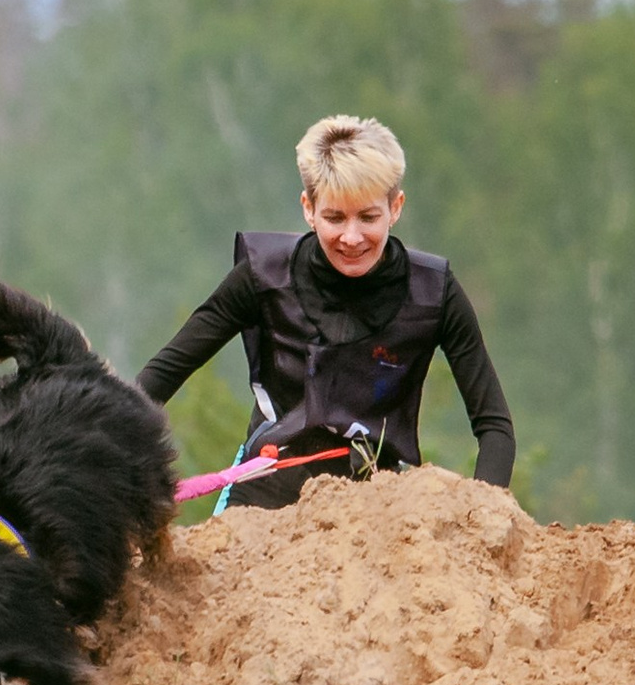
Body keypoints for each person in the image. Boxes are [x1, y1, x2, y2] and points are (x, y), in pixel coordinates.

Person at [135, 115, 514, 510]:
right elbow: (157, 380)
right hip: (260, 504)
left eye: (368, 217)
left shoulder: (436, 292)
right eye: (334, 217)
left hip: (378, 509)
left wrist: (482, 515)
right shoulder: (263, 275)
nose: (351, 237)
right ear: (308, 208)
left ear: (395, 208)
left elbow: (494, 426)